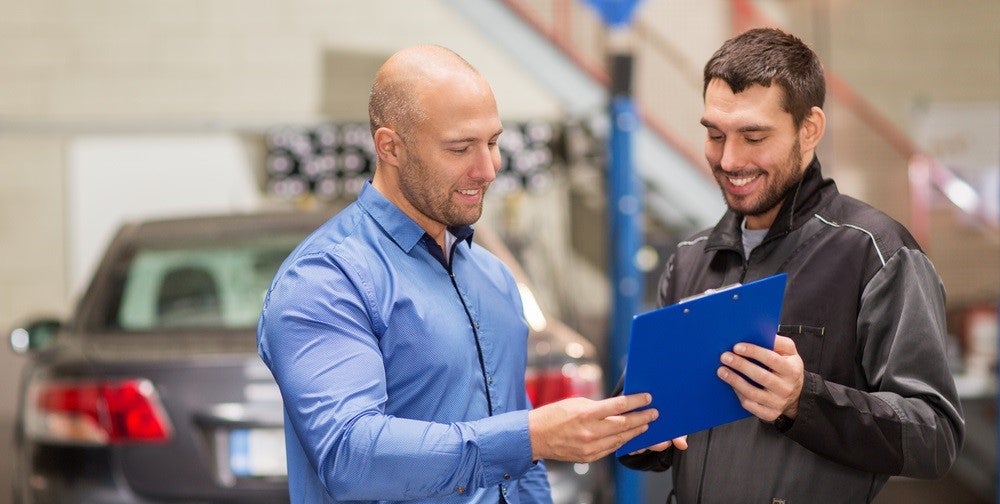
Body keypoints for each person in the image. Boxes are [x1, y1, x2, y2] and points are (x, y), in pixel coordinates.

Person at [257, 44, 658, 504]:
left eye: (492, 142)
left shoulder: (495, 278)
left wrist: (532, 442)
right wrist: (528, 437)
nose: (487, 169)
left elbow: (519, 468)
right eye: (460, 148)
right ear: (390, 147)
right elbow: (350, 455)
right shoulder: (326, 279)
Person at [619, 28, 964, 503]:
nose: (729, 159)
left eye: (754, 137)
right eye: (715, 135)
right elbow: (640, 423)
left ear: (810, 129)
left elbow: (935, 435)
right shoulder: (690, 259)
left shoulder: (876, 253)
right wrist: (639, 434)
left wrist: (804, 401)